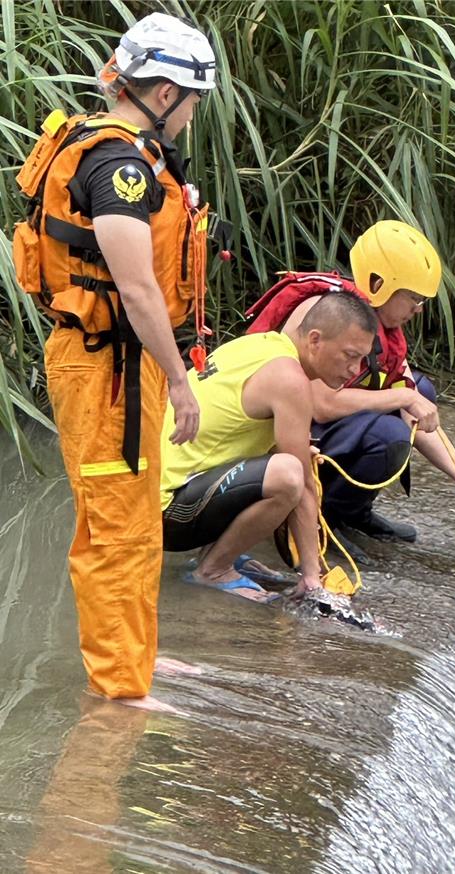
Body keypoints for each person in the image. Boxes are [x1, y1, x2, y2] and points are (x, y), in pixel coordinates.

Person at [13, 13, 217, 709]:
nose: (193, 116)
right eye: (193, 101)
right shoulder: (122, 167)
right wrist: (185, 381)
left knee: (135, 512)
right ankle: (120, 686)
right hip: (104, 367)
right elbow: (135, 288)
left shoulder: (124, 153)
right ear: (164, 94)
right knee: (115, 526)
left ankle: (139, 655)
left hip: (125, 368)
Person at [244, 221, 455, 561]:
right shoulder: (328, 314)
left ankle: (353, 512)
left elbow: (414, 401)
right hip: (274, 438)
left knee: (420, 391)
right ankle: (323, 520)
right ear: (379, 284)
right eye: (413, 297)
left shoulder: (375, 321)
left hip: (315, 427)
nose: (419, 308)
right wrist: (403, 397)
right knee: (389, 435)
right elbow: (319, 404)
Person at [160, 292, 378, 601]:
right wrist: (313, 577)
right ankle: (213, 569)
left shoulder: (261, 345)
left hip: (163, 497)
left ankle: (224, 554)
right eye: (349, 355)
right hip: (168, 512)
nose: (356, 370)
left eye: (362, 359)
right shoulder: (291, 380)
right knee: (288, 473)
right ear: (315, 340)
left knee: (287, 461)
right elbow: (301, 484)